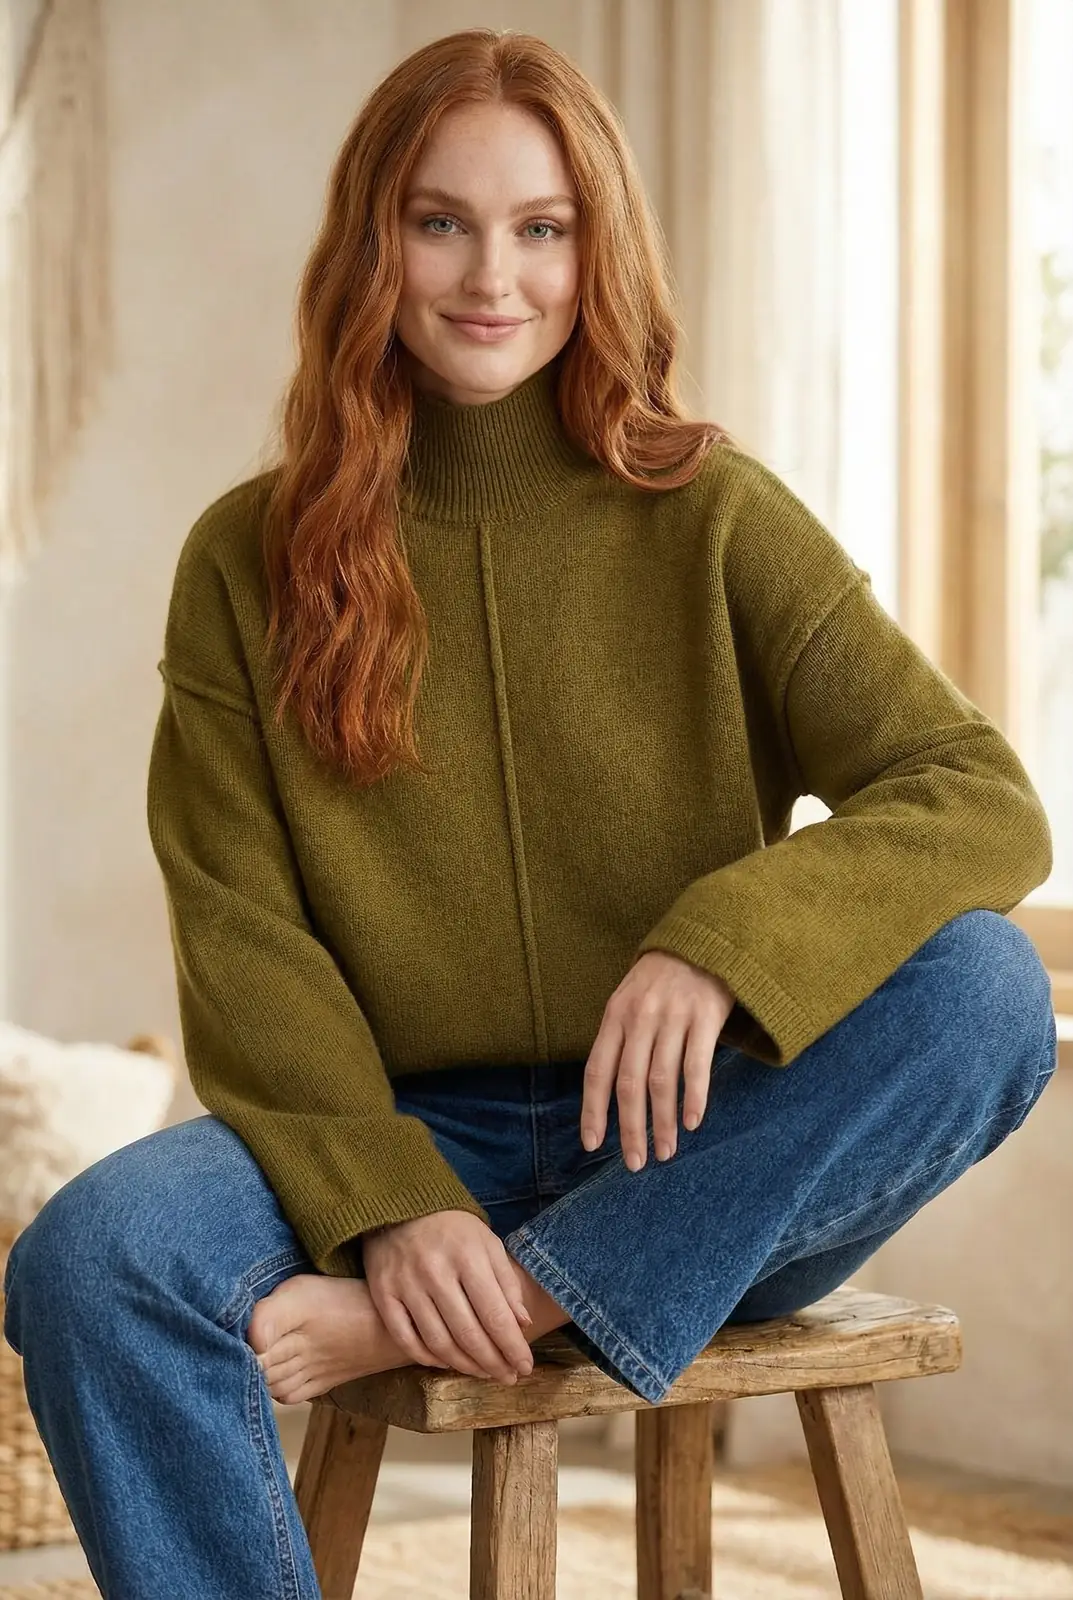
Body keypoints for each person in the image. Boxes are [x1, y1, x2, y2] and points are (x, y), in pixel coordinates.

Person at [3, 25, 1058, 1600]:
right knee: (87, 1260)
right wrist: (391, 1199)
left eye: (542, 227)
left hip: (697, 1160)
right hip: (394, 1131)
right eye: (442, 220)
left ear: (595, 246)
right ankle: (516, 1284)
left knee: (987, 991)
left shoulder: (714, 512)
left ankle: (544, 1293)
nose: (493, 274)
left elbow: (980, 795)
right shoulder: (248, 559)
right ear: (376, 243)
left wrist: (720, 948)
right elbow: (246, 940)